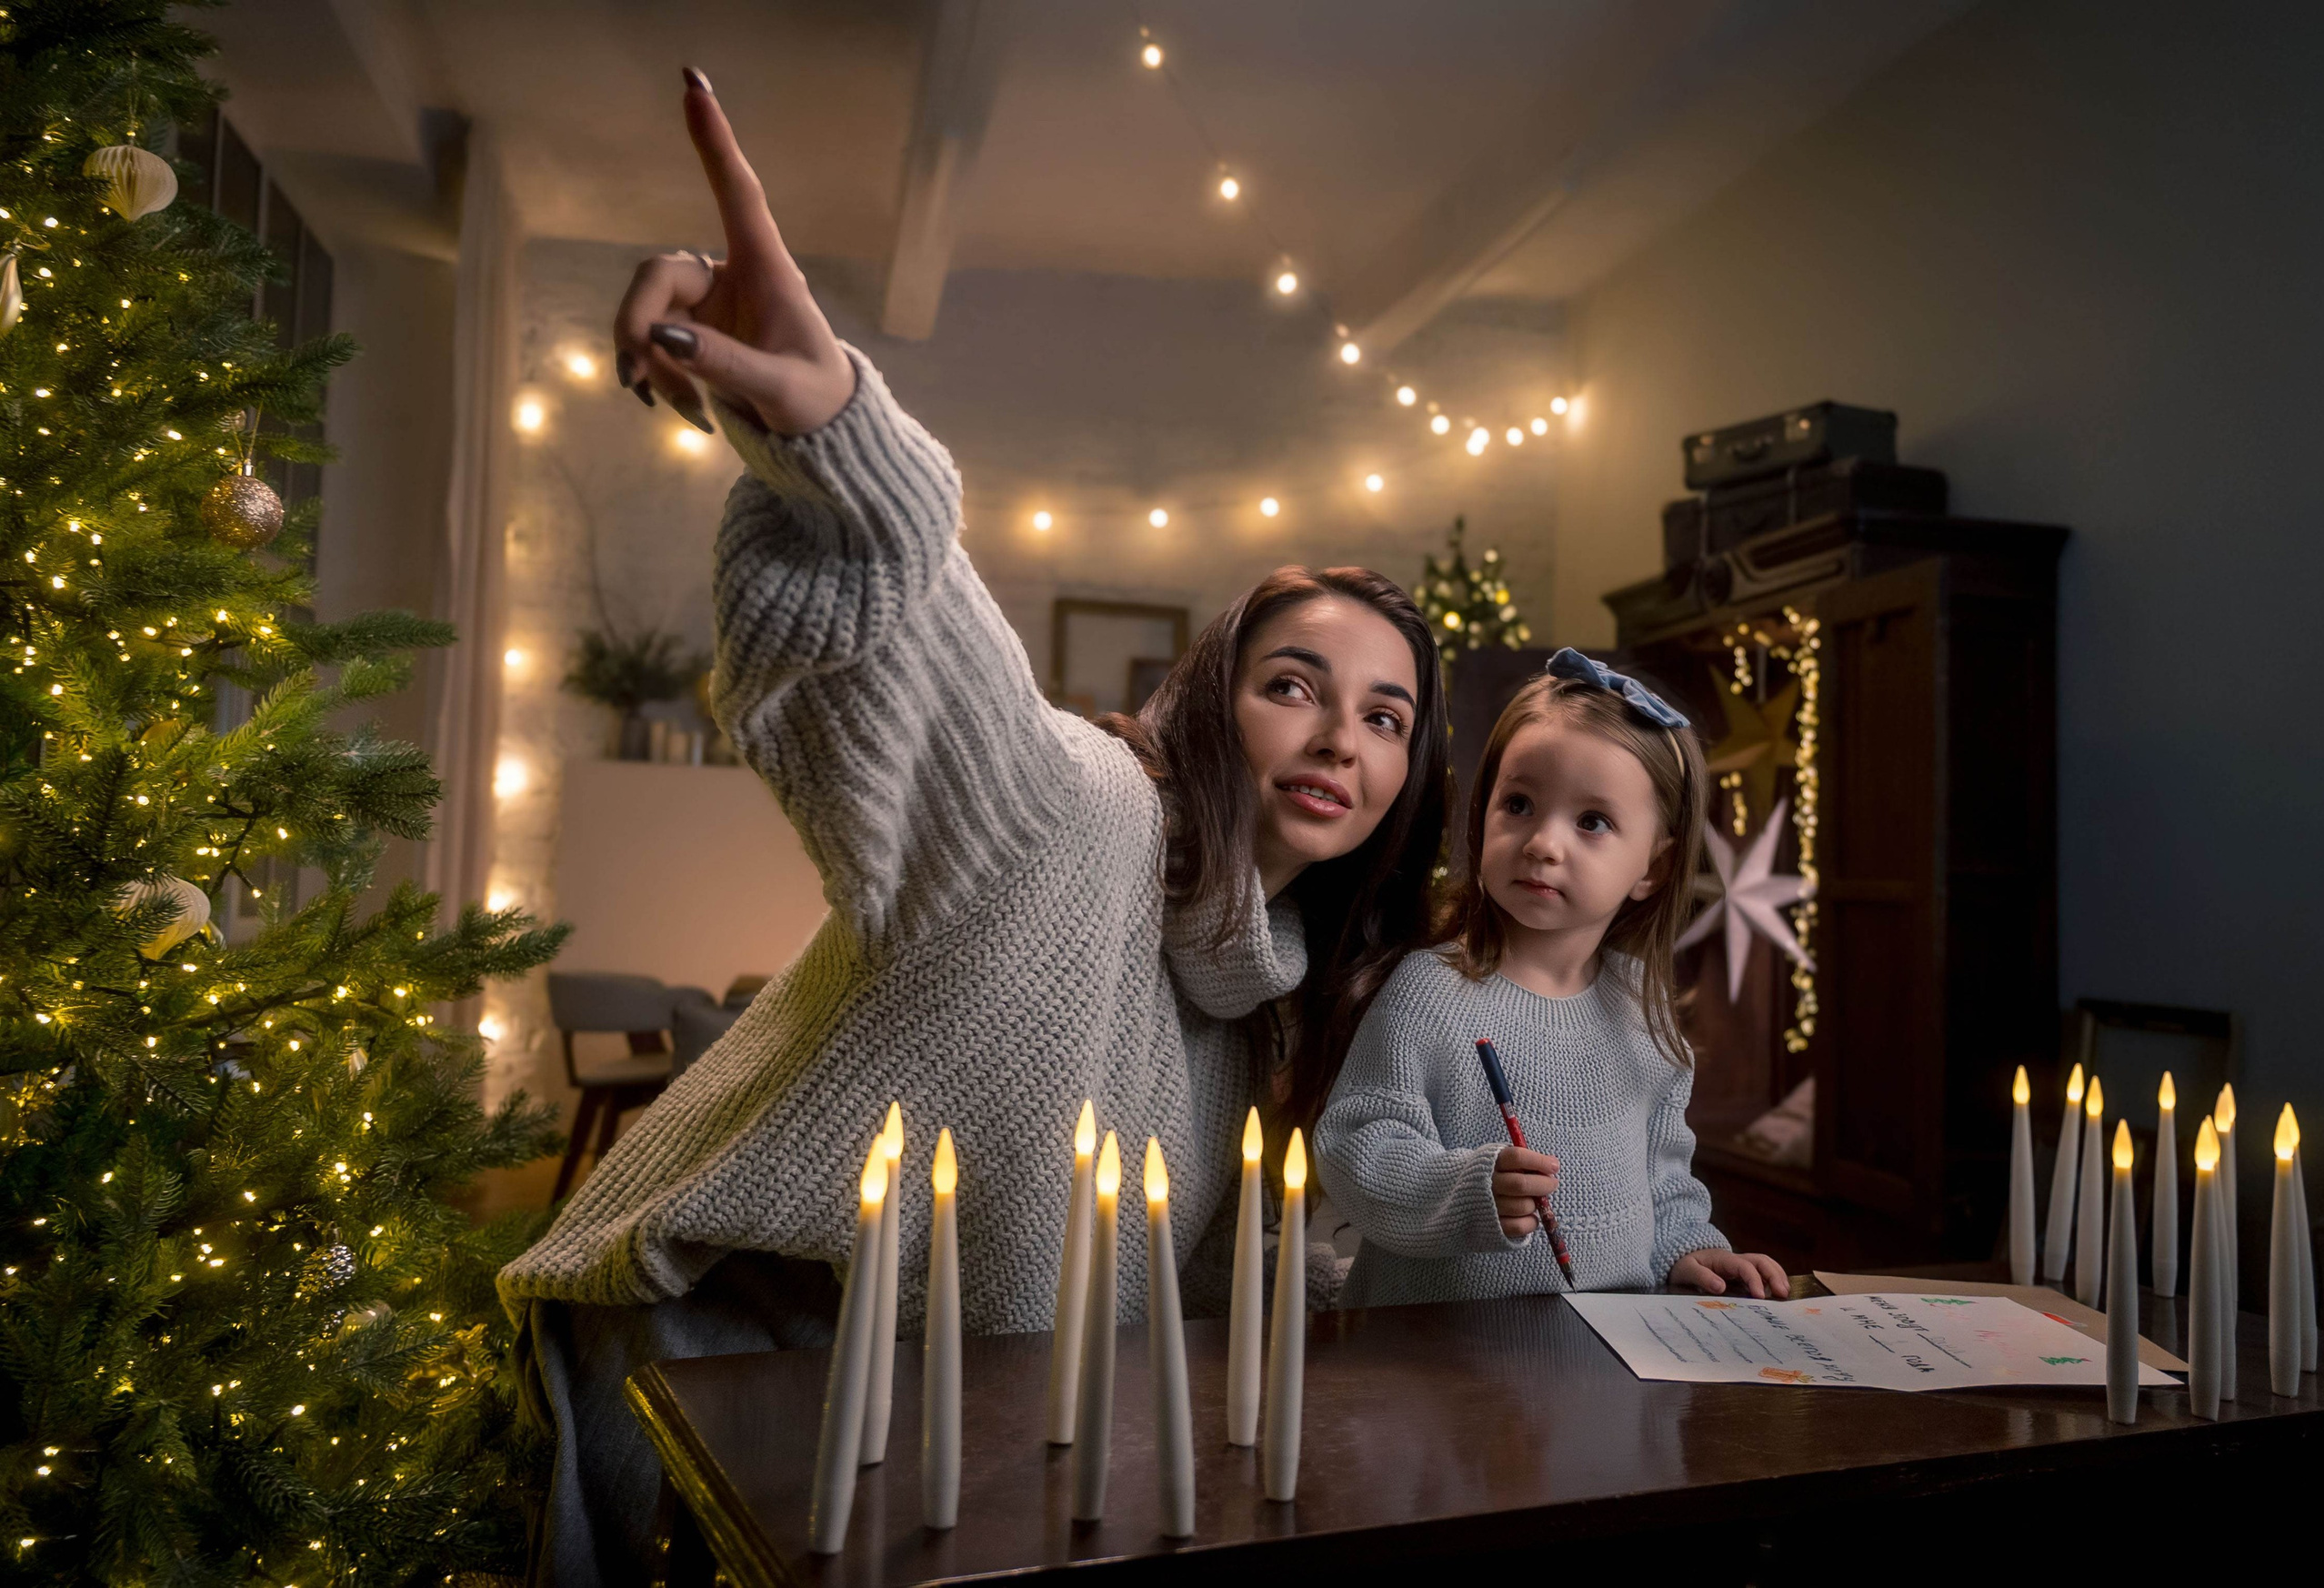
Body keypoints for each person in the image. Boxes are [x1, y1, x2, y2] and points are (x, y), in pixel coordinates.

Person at [496, 67, 1449, 1585]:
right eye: (1297, 684)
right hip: (728, 1374)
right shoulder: (1079, 809)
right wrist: (840, 449)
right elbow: (940, 654)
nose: (1343, 732)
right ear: (1217, 702)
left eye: (1389, 715)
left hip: (973, 1438)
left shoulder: (1275, 996)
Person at [1314, 650, 1788, 1309]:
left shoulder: (1640, 1013)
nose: (1543, 842)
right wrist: (1468, 1191)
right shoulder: (1430, 992)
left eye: (1591, 821)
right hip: (1430, 1367)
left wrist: (1688, 1248)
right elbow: (1354, 1148)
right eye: (1519, 804)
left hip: (1603, 1358)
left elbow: (1664, 1179)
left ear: (1653, 866)